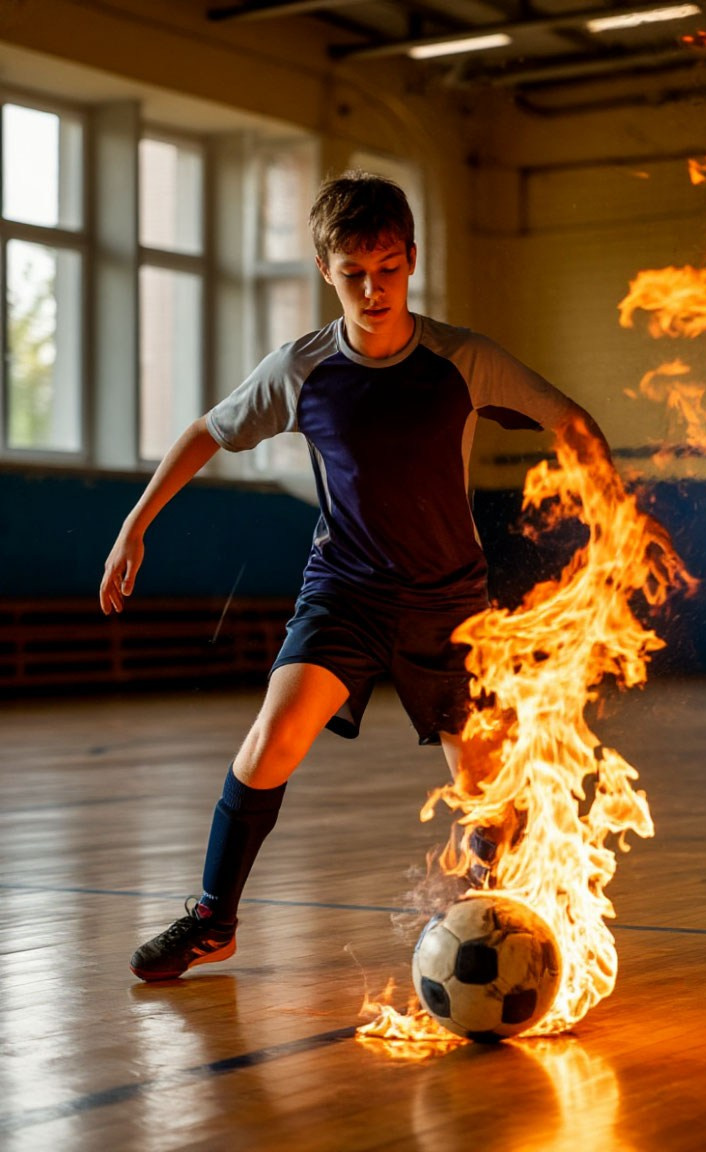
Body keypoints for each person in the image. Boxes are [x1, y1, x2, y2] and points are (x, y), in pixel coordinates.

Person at [100, 170, 612, 982]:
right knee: (271, 740)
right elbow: (207, 429)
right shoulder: (302, 369)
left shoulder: (462, 360)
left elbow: (571, 420)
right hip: (345, 591)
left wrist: (608, 506)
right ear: (324, 269)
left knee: (485, 784)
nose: (373, 289)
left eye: (388, 268)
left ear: (412, 258)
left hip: (451, 606)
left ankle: (493, 920)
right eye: (353, 272)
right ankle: (213, 919)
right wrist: (135, 524)